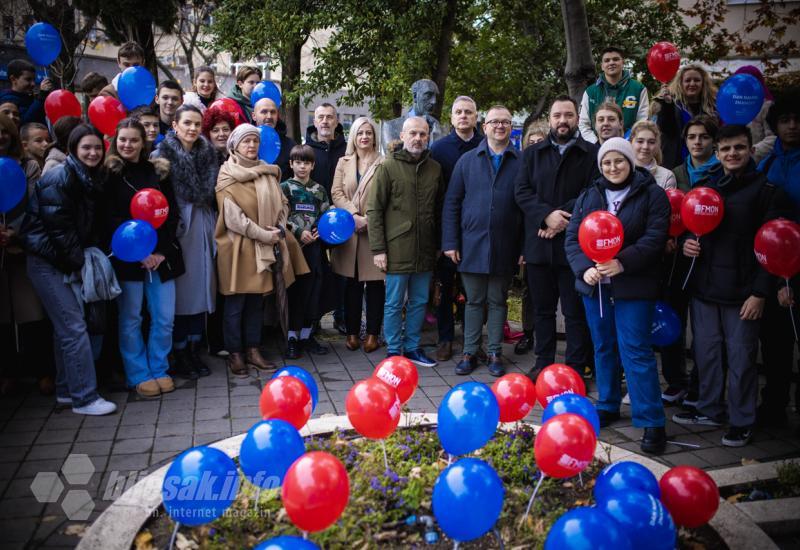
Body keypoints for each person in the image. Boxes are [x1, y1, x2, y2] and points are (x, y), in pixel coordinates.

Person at [673, 125, 787, 447]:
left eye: (738, 148)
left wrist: (761, 292)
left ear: (750, 149)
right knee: (706, 354)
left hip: (744, 294)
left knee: (741, 359)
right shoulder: (707, 187)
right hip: (705, 289)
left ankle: (742, 420)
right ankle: (709, 409)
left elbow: (775, 248)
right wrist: (685, 244)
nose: (732, 154)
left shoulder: (767, 191)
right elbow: (689, 226)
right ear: (718, 153)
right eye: (725, 149)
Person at [565, 137, 670, 454]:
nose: (613, 167)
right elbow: (573, 238)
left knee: (635, 350)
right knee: (603, 347)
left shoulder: (652, 195)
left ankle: (651, 420)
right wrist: (584, 269)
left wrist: (621, 262)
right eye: (607, 162)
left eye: (619, 161)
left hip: (633, 287)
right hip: (595, 287)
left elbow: (655, 238)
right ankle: (608, 403)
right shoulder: (589, 195)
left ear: (630, 162)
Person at [21, 124, 117, 415]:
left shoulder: (89, 177)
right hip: (48, 263)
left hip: (64, 260)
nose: (93, 152)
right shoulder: (59, 178)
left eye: (97, 147)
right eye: (86, 147)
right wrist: (79, 266)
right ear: (73, 149)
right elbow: (61, 235)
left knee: (65, 329)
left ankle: (66, 390)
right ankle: (84, 397)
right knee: (74, 328)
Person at [515, 95, 598, 380]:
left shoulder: (591, 154)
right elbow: (522, 192)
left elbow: (593, 192)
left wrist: (560, 218)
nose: (563, 121)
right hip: (539, 246)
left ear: (577, 118)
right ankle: (543, 365)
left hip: (574, 248)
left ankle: (575, 369)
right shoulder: (531, 154)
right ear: (549, 119)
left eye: (569, 115)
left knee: (575, 314)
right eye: (557, 116)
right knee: (543, 310)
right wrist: (545, 216)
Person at [216, 124, 307, 375]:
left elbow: (284, 203)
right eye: (246, 141)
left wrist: (278, 224)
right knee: (235, 304)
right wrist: (266, 235)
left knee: (256, 302)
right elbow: (233, 219)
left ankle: (253, 350)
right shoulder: (226, 175)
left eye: (255, 141)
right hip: (237, 248)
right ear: (234, 145)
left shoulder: (268, 173)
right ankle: (235, 353)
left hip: (263, 246)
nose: (252, 145)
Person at [104, 118, 184, 398]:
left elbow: (170, 214)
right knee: (131, 318)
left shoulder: (159, 173)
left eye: (134, 140)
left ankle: (159, 368)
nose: (128, 145)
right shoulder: (110, 175)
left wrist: (159, 252)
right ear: (116, 141)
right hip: (128, 259)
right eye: (123, 139)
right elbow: (110, 219)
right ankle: (137, 373)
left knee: (164, 317)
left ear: (143, 142)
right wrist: (139, 251)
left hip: (160, 258)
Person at [442, 105, 522, 376]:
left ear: (510, 128)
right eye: (495, 122)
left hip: (505, 244)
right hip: (471, 244)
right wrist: (450, 242)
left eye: (506, 122)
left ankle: (495, 352)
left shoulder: (519, 161)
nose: (500, 126)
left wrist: (522, 248)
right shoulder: (467, 161)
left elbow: (525, 209)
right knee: (474, 300)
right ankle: (469, 351)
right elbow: (452, 203)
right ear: (484, 126)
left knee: (498, 300)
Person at [368, 116, 444, 368]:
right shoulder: (387, 167)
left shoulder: (434, 169)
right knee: (393, 302)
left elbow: (440, 209)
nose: (418, 138)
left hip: (425, 249)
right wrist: (378, 248)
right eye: (413, 133)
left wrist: (439, 244)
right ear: (402, 136)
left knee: (420, 301)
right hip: (396, 247)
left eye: (423, 134)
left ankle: (412, 348)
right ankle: (393, 350)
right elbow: (374, 210)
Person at [152, 105, 219, 379]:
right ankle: (178, 353)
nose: (192, 129)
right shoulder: (161, 156)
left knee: (202, 292)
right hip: (178, 231)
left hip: (203, 225)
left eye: (196, 124)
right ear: (175, 126)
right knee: (181, 296)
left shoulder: (208, 154)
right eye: (187, 123)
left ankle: (193, 348)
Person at [0, 114, 54, 397]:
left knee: (32, 313)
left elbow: (33, 204)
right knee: (3, 319)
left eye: (4, 131)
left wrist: (14, 232)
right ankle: (9, 373)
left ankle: (42, 371)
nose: (1, 136)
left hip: (22, 247)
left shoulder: (28, 166)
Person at [757, 93, 800, 426]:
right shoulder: (767, 163)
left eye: (797, 120)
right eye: (785, 120)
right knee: (774, 342)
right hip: (771, 266)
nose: (792, 126)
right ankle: (773, 405)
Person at [430, 96, 482, 361]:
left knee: (475, 290)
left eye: (468, 112)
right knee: (445, 287)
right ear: (451, 118)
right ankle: (446, 338)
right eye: (458, 112)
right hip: (447, 228)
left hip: (478, 231)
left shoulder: (486, 146)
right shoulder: (438, 149)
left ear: (476, 117)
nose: (463, 116)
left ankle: (473, 341)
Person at [330, 117, 385, 353]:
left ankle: (372, 334)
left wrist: (369, 220)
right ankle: (352, 332)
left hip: (374, 232)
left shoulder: (384, 163)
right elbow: (337, 192)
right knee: (350, 286)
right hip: (350, 232)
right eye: (360, 132)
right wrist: (353, 216)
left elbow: (387, 198)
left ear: (374, 137)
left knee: (375, 286)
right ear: (353, 136)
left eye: (369, 133)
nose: (364, 137)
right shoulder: (344, 162)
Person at [282, 145, 331, 359]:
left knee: (314, 291)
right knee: (296, 292)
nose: (302, 167)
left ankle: (306, 335)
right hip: (294, 248)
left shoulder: (319, 189)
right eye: (298, 162)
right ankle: (292, 338)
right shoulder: (284, 188)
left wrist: (319, 230)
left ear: (312, 165)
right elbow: (281, 215)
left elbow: (326, 214)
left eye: (306, 163)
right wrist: (299, 231)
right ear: (291, 164)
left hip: (314, 248)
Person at [306, 103, 347, 332]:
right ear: (314, 121)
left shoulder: (346, 150)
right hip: (313, 222)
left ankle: (342, 317)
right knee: (317, 271)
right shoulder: (307, 151)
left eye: (329, 117)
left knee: (342, 272)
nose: (325, 121)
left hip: (342, 221)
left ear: (336, 120)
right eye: (320, 117)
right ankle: (315, 320)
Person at [515, 124, 547, 355]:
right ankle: (527, 333)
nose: (535, 146)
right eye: (531, 142)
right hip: (528, 238)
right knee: (529, 290)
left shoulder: (551, 166)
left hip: (552, 232)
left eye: (540, 142)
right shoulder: (522, 166)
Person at [652, 64, 718, 169]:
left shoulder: (712, 107)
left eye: (696, 80)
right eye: (687, 80)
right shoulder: (670, 104)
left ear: (703, 83)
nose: (692, 83)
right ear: (681, 83)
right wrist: (666, 105)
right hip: (675, 163)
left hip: (706, 163)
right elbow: (665, 129)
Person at [579, 46, 649, 144]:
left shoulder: (638, 89)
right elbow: (583, 124)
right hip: (597, 148)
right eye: (607, 60)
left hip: (629, 145)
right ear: (602, 66)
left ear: (623, 62)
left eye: (615, 59)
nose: (611, 63)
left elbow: (642, 122)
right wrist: (596, 143)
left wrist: (627, 142)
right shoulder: (590, 92)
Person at [735, 66, 776, 164]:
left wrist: (751, 153)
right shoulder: (732, 105)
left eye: (749, 80)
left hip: (758, 162)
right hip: (732, 160)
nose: (744, 84)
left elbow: (773, 138)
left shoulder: (766, 106)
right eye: (741, 81)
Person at [672, 115, 720, 191]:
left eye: (704, 137)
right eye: (691, 137)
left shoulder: (724, 170)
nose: (697, 142)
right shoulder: (676, 174)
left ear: (714, 142)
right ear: (686, 142)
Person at [252, 97, 296, 179]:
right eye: (264, 112)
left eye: (273, 112)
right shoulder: (244, 144)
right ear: (254, 116)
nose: (269, 116)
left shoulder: (290, 146)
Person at [0, 59, 53, 125]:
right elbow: (25, 123)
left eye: (34, 80)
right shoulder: (7, 100)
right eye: (28, 79)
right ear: (13, 79)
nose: (33, 84)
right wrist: (41, 97)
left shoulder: (29, 97)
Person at [629, 120, 676, 189]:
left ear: (658, 145)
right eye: (640, 141)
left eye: (651, 142)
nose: (645, 147)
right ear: (631, 142)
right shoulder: (621, 172)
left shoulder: (667, 176)